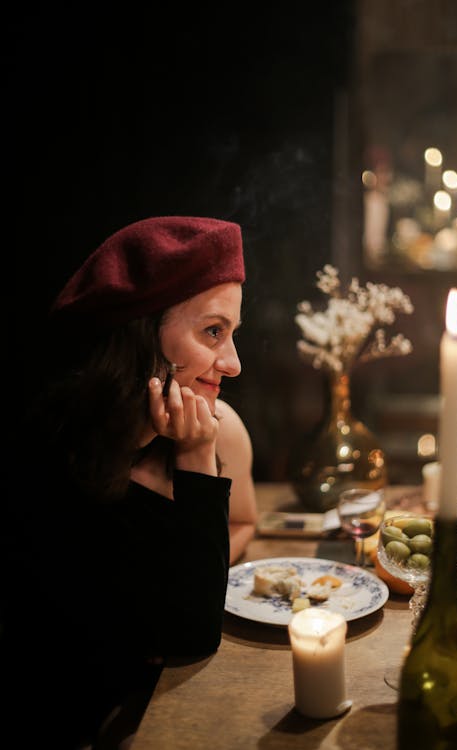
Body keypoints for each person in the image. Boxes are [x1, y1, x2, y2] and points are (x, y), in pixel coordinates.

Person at [1, 216, 257, 749]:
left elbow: (191, 627)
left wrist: (196, 453)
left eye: (232, 334)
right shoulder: (50, 453)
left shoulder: (220, 432)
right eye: (213, 331)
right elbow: (178, 636)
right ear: (144, 333)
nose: (232, 363)